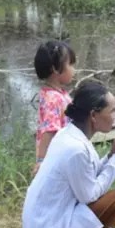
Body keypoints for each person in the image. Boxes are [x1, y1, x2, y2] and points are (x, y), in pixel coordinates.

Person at [22, 80, 115, 228]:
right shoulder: (75, 148)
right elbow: (89, 195)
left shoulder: (69, 135)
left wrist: (109, 156)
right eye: (112, 111)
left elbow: (86, 173)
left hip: (43, 225)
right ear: (94, 115)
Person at [33, 40, 76, 176]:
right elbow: (49, 131)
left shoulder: (57, 94)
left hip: (64, 153)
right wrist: (41, 160)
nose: (74, 69)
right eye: (70, 64)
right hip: (55, 157)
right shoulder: (53, 98)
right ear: (55, 69)